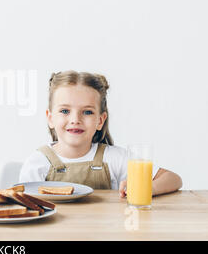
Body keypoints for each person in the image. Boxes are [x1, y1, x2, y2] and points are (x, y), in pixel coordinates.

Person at [19, 70, 182, 197]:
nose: (75, 119)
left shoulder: (115, 158)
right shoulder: (38, 162)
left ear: (100, 120)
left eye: (87, 112)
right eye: (65, 110)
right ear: (50, 118)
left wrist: (145, 188)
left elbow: (173, 179)